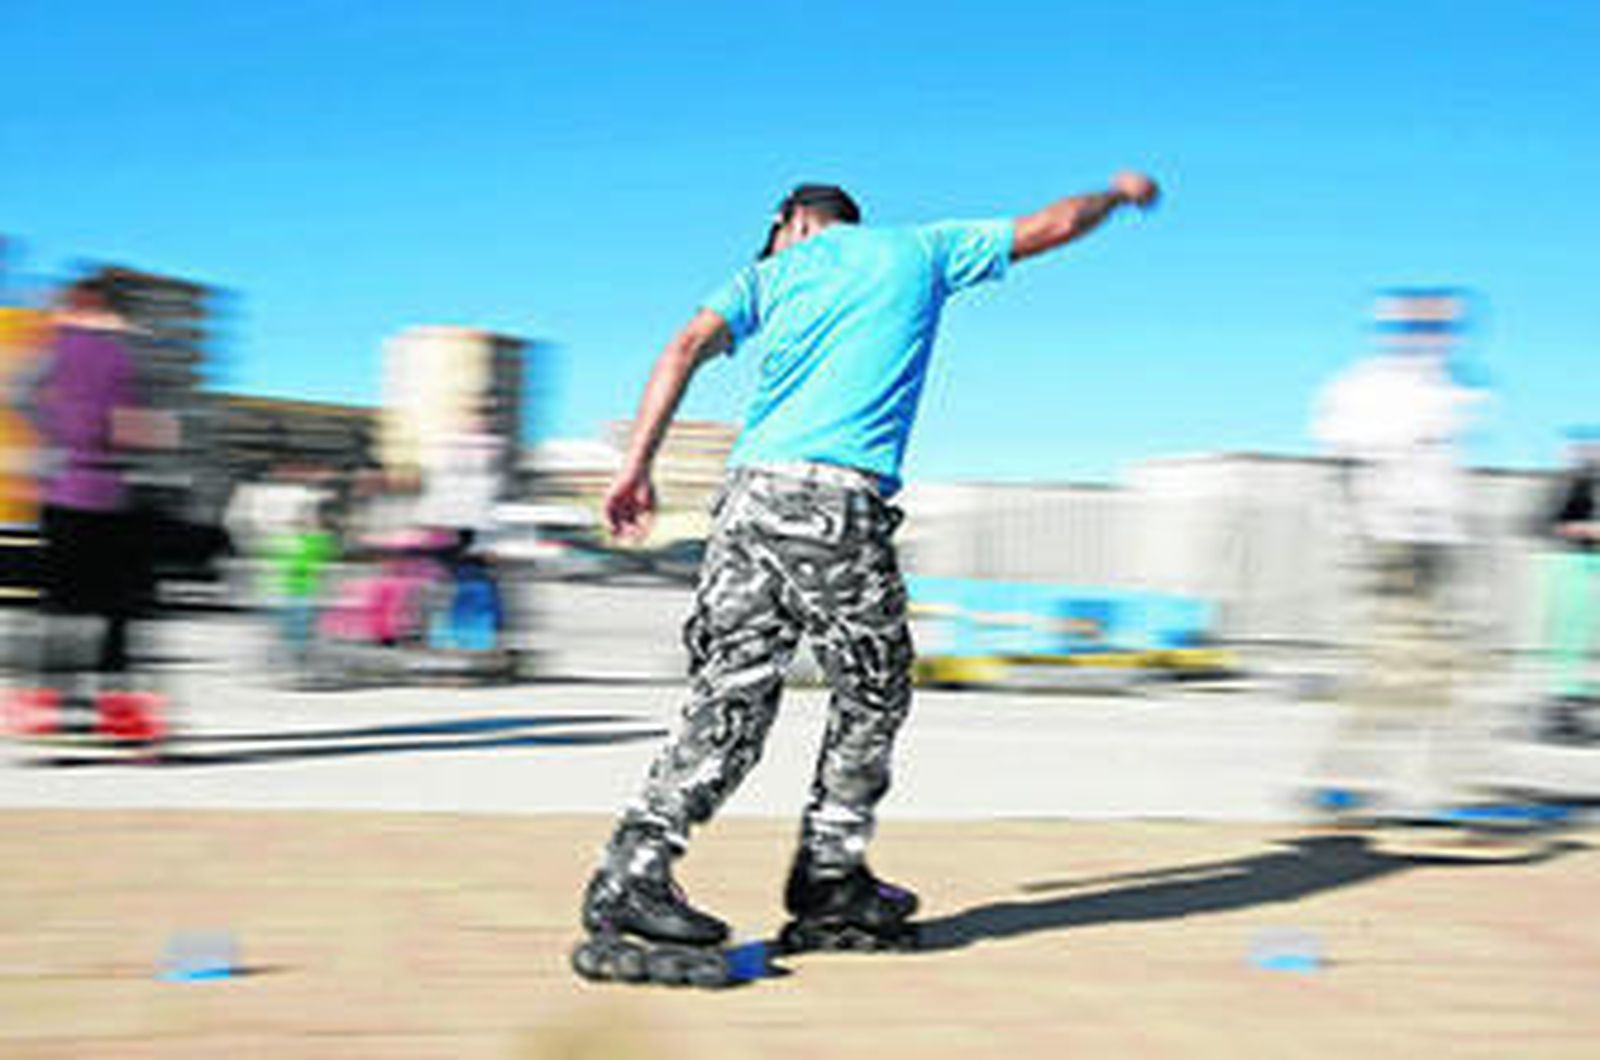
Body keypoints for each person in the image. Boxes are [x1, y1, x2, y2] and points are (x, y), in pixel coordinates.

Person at [572, 173, 1161, 986]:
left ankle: (631, 873)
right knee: (874, 691)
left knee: (729, 698)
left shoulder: (766, 276)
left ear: (792, 222)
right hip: (832, 506)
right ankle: (829, 876)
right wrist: (1117, 195)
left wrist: (633, 467)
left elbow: (680, 348)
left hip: (745, 503)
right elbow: (1054, 225)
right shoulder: (920, 249)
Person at [1308, 294, 1489, 818]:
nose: (1441, 335)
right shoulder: (1367, 389)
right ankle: (1457, 792)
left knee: (1411, 670)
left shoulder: (1452, 388)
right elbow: (1344, 468)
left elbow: (1445, 478)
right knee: (1433, 670)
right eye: (1428, 323)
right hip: (1397, 546)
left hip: (1436, 546)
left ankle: (1342, 784)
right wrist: (1368, 541)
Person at [4, 271, 171, 744]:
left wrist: (55, 435)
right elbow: (157, 424)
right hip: (121, 494)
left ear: (79, 302)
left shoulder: (52, 344)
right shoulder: (137, 350)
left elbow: (13, 394)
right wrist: (133, 453)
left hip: (63, 491)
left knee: (61, 606)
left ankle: (46, 711)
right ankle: (123, 717)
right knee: (120, 610)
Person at [1536, 430, 1600, 742]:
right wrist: (1587, 529)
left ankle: (1571, 709)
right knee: (1568, 640)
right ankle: (1559, 715)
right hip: (1569, 563)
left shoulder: (1588, 485)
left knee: (1580, 639)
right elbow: (1546, 523)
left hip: (1586, 563)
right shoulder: (1567, 485)